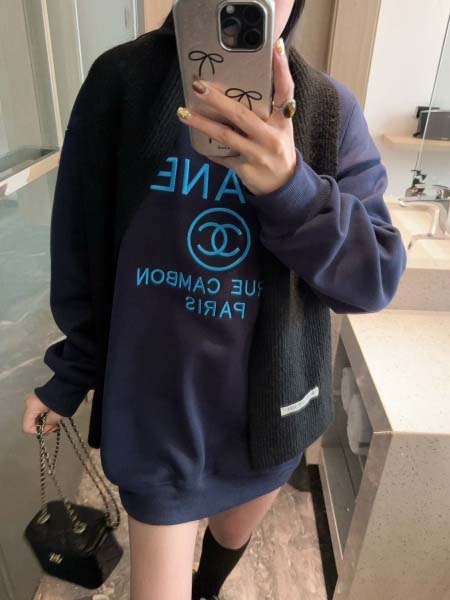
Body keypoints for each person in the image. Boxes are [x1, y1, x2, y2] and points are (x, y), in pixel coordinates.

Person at [22, 1, 407, 599]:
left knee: (232, 533)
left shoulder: (328, 110)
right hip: (156, 420)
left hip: (271, 415)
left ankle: (209, 586)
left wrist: (292, 188)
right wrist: (70, 373)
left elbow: (375, 278)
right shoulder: (121, 82)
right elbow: (82, 249)